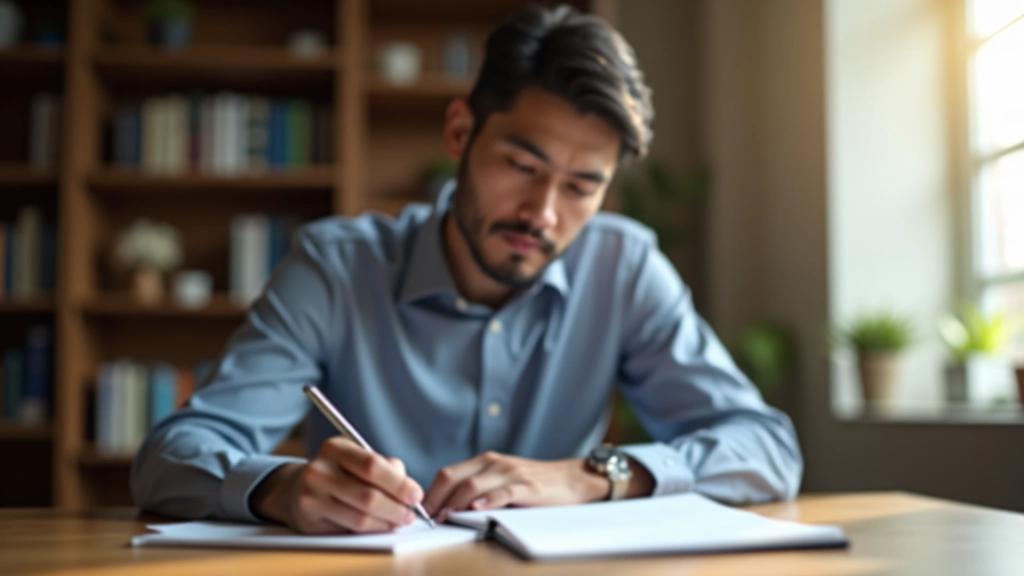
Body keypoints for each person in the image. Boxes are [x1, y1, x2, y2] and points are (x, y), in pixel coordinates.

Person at [132, 4, 802, 535]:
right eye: (523, 166)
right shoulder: (337, 267)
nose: (543, 212)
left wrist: (593, 477)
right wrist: (280, 490)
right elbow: (171, 456)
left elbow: (767, 450)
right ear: (460, 134)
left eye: (580, 186)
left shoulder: (622, 267)